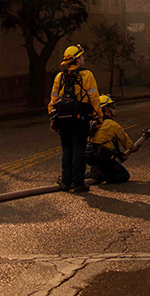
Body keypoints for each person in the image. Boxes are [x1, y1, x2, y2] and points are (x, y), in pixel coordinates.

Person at [48, 45, 103, 192]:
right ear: (77, 60)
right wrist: (99, 116)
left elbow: (53, 100)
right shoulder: (87, 75)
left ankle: (66, 182)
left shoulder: (60, 77)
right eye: (81, 56)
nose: (83, 58)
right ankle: (78, 183)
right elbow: (94, 99)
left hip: (62, 120)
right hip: (81, 119)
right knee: (79, 149)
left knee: (67, 149)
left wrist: (52, 120)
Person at [85, 95, 139, 184]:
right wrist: (134, 148)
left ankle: (95, 170)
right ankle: (101, 175)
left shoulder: (91, 122)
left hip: (91, 157)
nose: (114, 109)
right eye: (112, 107)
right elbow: (127, 143)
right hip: (103, 159)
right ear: (106, 109)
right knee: (124, 176)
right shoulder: (112, 124)